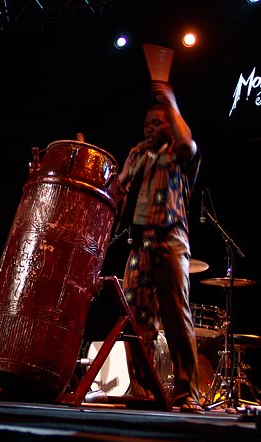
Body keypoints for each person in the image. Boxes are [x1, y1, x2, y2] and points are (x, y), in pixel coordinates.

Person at [115, 81, 203, 413]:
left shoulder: (179, 153)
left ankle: (186, 392)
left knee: (176, 317)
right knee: (136, 320)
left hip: (170, 241)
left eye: (157, 123)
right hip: (139, 244)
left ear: (170, 121)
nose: (150, 129)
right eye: (146, 125)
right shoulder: (137, 153)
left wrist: (171, 101)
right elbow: (119, 185)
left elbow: (187, 143)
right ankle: (143, 390)